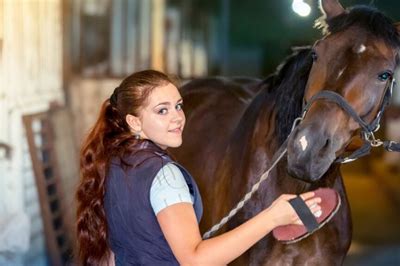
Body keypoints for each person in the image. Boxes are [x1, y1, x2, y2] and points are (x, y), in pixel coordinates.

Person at [75, 70, 323, 265]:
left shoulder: (112, 161)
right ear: (134, 121)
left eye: (178, 105)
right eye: (162, 110)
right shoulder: (164, 175)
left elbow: (112, 252)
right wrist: (272, 217)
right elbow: (195, 259)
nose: (177, 117)